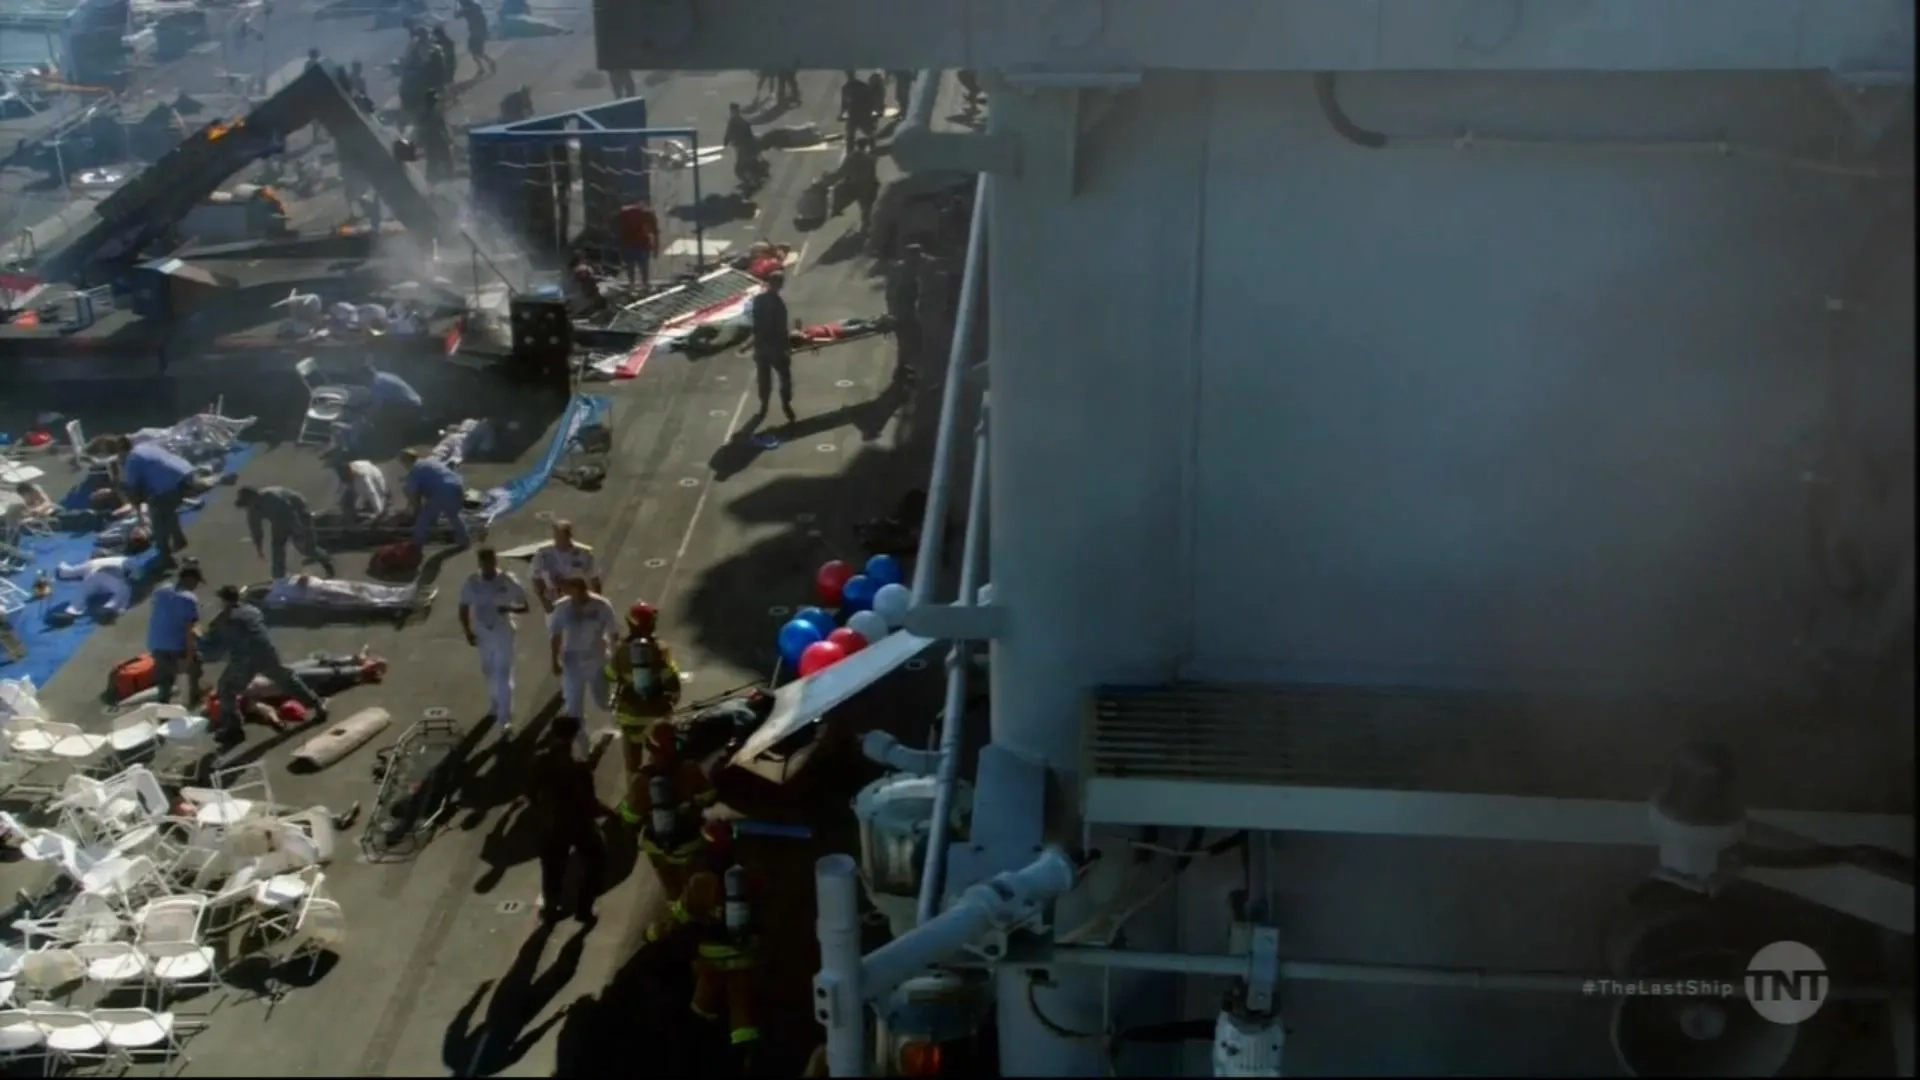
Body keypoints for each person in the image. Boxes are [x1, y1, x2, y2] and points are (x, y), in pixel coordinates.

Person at [202, 583, 327, 747]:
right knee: (286, 679)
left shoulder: (224, 618)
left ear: (224, 600)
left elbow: (212, 644)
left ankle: (234, 730)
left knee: (226, 689)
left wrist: (201, 636)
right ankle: (317, 705)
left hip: (245, 659)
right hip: (267, 652)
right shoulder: (253, 611)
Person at [605, 601, 685, 822]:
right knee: (661, 760)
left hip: (630, 715)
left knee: (632, 762)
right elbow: (672, 681)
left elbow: (610, 675)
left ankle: (635, 800)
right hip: (657, 717)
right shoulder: (661, 651)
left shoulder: (621, 651)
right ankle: (662, 799)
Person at [528, 715, 608, 925]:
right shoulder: (579, 768)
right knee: (596, 861)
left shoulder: (540, 761)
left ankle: (551, 909)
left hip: (552, 824)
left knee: (552, 869)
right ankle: (584, 909)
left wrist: (542, 810)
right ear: (574, 736)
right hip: (579, 823)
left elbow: (530, 792)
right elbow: (590, 802)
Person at [459, 546, 530, 729]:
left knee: (503, 673)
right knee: (488, 671)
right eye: (484, 563)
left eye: (491, 562)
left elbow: (524, 605)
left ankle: (505, 717)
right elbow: (463, 606)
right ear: (480, 563)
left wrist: (509, 609)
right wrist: (467, 630)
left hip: (502, 631)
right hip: (482, 632)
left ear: (495, 561)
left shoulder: (507, 580)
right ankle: (495, 703)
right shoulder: (472, 582)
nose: (488, 566)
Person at [115, 436, 197, 566]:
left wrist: (136, 505)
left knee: (158, 523)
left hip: (167, 486)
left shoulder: (132, 460)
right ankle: (179, 540)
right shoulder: (144, 447)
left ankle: (165, 556)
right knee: (169, 511)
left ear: (121, 451)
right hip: (184, 474)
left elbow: (130, 487)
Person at [547, 576, 619, 719]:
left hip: (597, 660)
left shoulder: (602, 605)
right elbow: (556, 635)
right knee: (573, 707)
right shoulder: (562, 607)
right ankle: (581, 739)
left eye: (571, 590)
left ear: (582, 588)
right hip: (572, 661)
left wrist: (615, 659)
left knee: (604, 701)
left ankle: (619, 720)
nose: (569, 595)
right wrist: (555, 661)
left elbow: (613, 633)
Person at [236, 485, 335, 579]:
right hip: (278, 519)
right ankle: (279, 576)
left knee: (306, 547)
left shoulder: (273, 498)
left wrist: (299, 530)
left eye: (247, 503)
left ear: (254, 497)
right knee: (277, 546)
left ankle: (325, 561)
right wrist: (259, 548)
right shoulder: (252, 510)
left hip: (298, 511)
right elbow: (256, 530)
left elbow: (290, 513)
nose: (247, 507)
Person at [146, 560, 205, 707]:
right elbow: (189, 630)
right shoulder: (189, 599)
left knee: (165, 679)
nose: (196, 585)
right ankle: (195, 695)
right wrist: (189, 657)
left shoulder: (161, 590)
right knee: (195, 665)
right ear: (190, 579)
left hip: (156, 642)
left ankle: (162, 707)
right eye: (196, 582)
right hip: (175, 645)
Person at [749, 271, 797, 426]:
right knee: (785, 378)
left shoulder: (758, 300)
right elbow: (781, 328)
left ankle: (764, 405)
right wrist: (786, 347)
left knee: (764, 379)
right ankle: (786, 403)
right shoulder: (778, 304)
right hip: (775, 347)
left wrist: (755, 344)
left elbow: (756, 325)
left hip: (761, 346)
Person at [399, 447, 471, 550]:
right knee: (453, 515)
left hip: (442, 491)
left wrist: (414, 511)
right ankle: (464, 540)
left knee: (424, 518)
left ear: (406, 461)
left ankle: (416, 544)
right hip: (456, 486)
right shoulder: (429, 461)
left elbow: (413, 494)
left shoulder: (415, 469)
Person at [530, 520, 599, 613]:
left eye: (564, 536)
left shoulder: (584, 553)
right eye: (557, 536)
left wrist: (596, 602)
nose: (560, 539)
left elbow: (594, 579)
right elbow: (537, 580)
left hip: (580, 601)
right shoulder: (542, 554)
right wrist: (545, 603)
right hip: (555, 603)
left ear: (570, 535)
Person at [886, 243, 924, 381]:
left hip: (905, 313)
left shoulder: (901, 269)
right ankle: (905, 374)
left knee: (906, 345)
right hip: (905, 314)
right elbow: (893, 295)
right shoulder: (903, 272)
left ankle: (903, 373)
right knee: (909, 344)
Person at [359, 359, 427, 436]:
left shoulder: (377, 384)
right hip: (416, 402)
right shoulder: (383, 375)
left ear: (366, 376)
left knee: (381, 418)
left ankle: (388, 438)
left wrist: (365, 420)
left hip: (410, 408)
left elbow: (377, 406)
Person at [56, 555, 132, 614]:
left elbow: (66, 572)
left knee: (82, 593)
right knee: (123, 590)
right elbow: (136, 575)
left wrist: (61, 566)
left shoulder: (91, 563)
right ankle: (110, 607)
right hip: (110, 578)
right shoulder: (124, 560)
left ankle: (71, 611)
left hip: (92, 577)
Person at [616, 199, 659, 291]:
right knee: (643, 267)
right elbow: (655, 232)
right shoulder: (648, 214)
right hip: (642, 245)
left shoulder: (625, 212)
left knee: (631, 267)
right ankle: (645, 285)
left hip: (629, 244)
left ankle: (632, 285)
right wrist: (656, 249)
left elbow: (620, 230)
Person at [840, 137, 880, 234]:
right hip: (868, 185)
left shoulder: (851, 157)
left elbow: (844, 171)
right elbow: (872, 172)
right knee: (869, 207)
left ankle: (866, 226)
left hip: (856, 185)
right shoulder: (869, 157)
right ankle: (868, 227)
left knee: (864, 206)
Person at [330, 454, 389, 519]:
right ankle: (352, 513)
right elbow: (340, 490)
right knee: (348, 496)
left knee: (374, 504)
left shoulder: (361, 476)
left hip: (376, 482)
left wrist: (378, 512)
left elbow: (372, 493)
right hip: (360, 479)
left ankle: (380, 509)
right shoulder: (343, 472)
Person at [723, 103, 762, 191]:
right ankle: (753, 179)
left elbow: (729, 132)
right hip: (748, 144)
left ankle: (749, 182)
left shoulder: (733, 120)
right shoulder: (742, 119)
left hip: (742, 146)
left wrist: (725, 142)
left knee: (740, 167)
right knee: (748, 163)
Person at [838, 70, 876, 148]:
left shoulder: (846, 87)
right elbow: (870, 98)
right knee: (868, 132)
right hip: (862, 112)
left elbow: (844, 104)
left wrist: (841, 114)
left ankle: (850, 152)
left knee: (851, 134)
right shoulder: (862, 85)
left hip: (854, 113)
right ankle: (873, 148)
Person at [456, 0, 493, 76]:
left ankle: (483, 66)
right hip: (479, 32)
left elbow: (456, 16)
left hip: (474, 33)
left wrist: (456, 8)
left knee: (475, 52)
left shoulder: (466, 10)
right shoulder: (476, 7)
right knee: (478, 52)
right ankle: (486, 64)